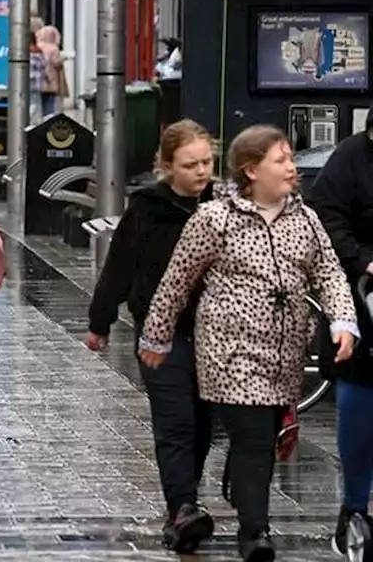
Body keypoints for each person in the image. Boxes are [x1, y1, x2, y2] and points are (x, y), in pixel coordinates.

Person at [141, 125, 359, 561]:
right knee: (254, 435)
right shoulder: (214, 220)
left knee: (256, 437)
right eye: (281, 160)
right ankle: (254, 534)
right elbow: (176, 283)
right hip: (229, 351)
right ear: (251, 170)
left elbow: (330, 274)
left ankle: (241, 488)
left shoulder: (306, 219)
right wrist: (157, 337)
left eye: (290, 159)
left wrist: (343, 321)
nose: (292, 168)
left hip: (284, 354)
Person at [84, 120, 217, 553]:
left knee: (202, 425)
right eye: (190, 164)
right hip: (160, 332)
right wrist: (99, 322)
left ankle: (185, 500)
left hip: (216, 333)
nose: (201, 172)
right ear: (166, 166)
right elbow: (120, 265)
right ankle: (183, 507)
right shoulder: (147, 207)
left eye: (207, 163)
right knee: (175, 419)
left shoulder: (222, 205)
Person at [304, 115, 373, 556]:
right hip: (363, 297)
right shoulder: (350, 157)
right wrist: (362, 260)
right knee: (359, 395)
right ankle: (353, 507)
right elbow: (326, 215)